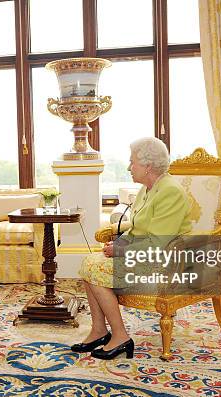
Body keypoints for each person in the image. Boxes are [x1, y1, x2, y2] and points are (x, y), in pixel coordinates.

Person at [72, 137, 192, 360]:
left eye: (132, 162)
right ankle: (99, 330)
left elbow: (158, 242)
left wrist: (121, 251)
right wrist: (119, 242)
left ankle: (120, 336)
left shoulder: (170, 192)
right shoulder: (147, 189)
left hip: (163, 261)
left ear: (148, 167)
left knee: (96, 270)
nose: (129, 167)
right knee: (88, 264)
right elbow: (138, 227)